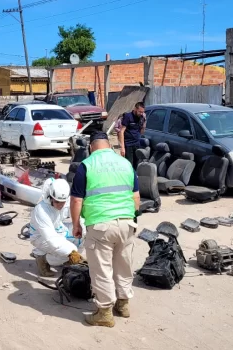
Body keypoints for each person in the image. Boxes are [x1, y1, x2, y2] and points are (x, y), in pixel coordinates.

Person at [70, 131, 140, 328]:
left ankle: (104, 313)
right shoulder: (125, 163)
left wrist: (76, 225)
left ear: (91, 147)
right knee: (123, 265)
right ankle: (123, 305)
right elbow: (136, 196)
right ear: (109, 145)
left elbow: (76, 199)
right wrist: (130, 217)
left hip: (100, 225)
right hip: (127, 223)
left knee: (102, 270)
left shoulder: (87, 165)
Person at [29, 178, 84, 277]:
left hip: (58, 229)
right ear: (50, 197)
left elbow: (76, 214)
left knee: (83, 232)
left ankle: (70, 263)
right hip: (40, 236)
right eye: (57, 202)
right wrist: (71, 252)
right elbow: (51, 238)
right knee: (69, 251)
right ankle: (42, 259)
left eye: (63, 202)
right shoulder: (41, 210)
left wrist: (78, 226)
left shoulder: (64, 200)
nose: (60, 205)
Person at [117, 102, 146, 169]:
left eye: (143, 112)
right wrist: (122, 148)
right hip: (128, 144)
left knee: (136, 164)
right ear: (135, 109)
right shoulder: (128, 116)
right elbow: (121, 132)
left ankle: (135, 178)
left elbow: (141, 132)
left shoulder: (141, 118)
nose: (141, 113)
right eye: (140, 112)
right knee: (129, 164)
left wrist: (144, 121)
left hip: (137, 144)